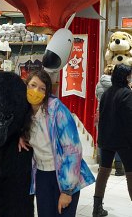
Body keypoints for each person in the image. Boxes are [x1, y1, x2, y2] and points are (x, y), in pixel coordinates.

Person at [19, 69, 95, 217]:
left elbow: (73, 150)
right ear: (26, 85)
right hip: (42, 175)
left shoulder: (57, 110)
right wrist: (21, 136)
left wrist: (67, 191)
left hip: (63, 175)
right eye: (33, 85)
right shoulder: (24, 110)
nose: (36, 91)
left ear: (47, 92)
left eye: (42, 88)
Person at [93, 64, 132, 217]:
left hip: (106, 138)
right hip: (124, 141)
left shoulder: (107, 93)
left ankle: (97, 208)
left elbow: (102, 115)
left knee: (103, 171)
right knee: (130, 173)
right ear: (125, 76)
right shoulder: (127, 94)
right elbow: (129, 120)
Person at [95, 64, 124, 176]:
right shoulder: (119, 86)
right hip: (116, 116)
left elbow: (97, 97)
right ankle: (119, 168)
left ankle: (102, 167)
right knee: (117, 141)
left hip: (102, 115)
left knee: (103, 141)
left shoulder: (99, 83)